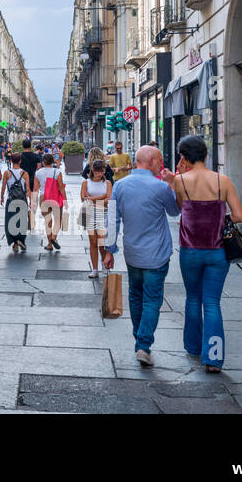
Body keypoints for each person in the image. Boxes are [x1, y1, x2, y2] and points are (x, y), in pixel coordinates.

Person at [172, 134, 242, 374]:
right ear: (206, 154)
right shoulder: (224, 181)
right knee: (212, 302)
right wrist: (218, 218)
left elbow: (182, 208)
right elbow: (239, 216)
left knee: (193, 298)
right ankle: (213, 358)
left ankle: (193, 347)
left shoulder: (180, 181)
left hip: (190, 251)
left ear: (184, 157)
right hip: (217, 252)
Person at [104, 145, 178, 368]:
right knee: (152, 299)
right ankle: (144, 345)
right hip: (157, 254)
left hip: (132, 252)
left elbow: (112, 218)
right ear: (152, 162)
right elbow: (175, 211)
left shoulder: (120, 185)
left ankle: (139, 339)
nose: (161, 165)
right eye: (160, 161)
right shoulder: (160, 187)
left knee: (135, 296)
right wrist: (172, 184)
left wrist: (109, 250)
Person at [81, 160, 114, 278]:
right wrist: (102, 198)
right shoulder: (86, 182)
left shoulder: (108, 183)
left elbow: (109, 200)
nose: (99, 174)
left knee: (102, 242)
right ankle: (94, 268)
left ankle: (103, 264)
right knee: (93, 242)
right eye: (97, 171)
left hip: (103, 213)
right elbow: (83, 198)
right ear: (92, 171)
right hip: (89, 213)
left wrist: (94, 199)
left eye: (102, 171)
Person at [35, 153, 65, 251]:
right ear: (52, 162)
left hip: (43, 197)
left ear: (43, 162)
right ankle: (54, 237)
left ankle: (49, 244)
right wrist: (65, 199)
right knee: (57, 220)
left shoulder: (38, 173)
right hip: (55, 197)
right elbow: (60, 187)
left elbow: (35, 189)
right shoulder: (57, 172)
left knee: (48, 220)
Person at [3, 155, 29, 253]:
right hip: (22, 199)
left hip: (11, 199)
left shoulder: (7, 173)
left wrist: (1, 197)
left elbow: (3, 186)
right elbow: (28, 190)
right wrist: (30, 200)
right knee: (21, 220)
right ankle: (21, 240)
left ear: (11, 161)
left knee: (10, 221)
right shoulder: (25, 173)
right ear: (20, 161)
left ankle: (14, 243)